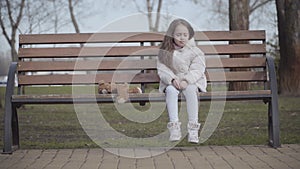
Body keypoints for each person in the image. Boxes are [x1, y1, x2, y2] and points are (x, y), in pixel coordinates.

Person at [157, 18, 207, 143]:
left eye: (185, 35)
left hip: (191, 81)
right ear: (172, 35)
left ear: (189, 35)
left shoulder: (195, 51)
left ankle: (193, 129)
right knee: (170, 91)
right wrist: (172, 79)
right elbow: (162, 69)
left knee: (190, 90)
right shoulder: (165, 51)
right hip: (172, 82)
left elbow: (198, 69)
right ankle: (174, 127)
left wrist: (187, 80)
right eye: (178, 35)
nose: (182, 38)